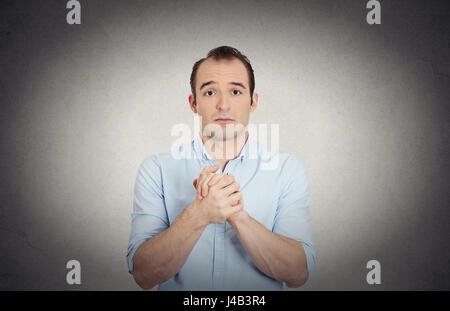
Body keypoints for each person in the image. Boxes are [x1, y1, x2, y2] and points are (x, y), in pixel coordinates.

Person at [126, 46, 316, 290]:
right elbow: (143, 274)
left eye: (236, 91)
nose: (223, 105)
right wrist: (199, 214)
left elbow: (297, 273)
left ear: (253, 102)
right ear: (193, 103)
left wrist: (236, 214)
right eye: (210, 92)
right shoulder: (156, 169)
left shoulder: (288, 169)